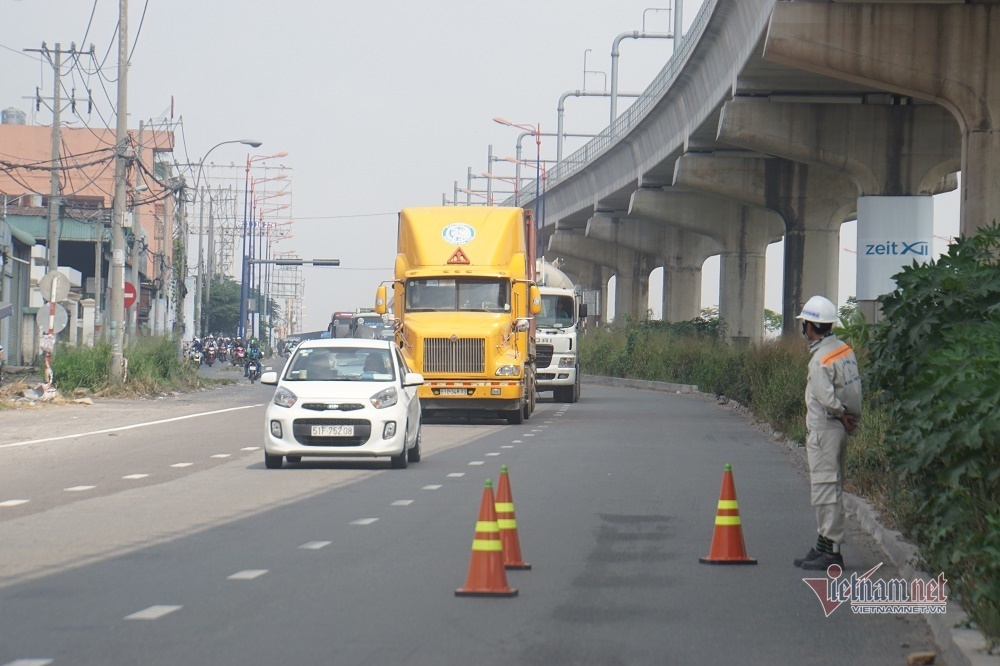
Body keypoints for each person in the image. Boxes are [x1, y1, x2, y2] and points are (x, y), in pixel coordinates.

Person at [794, 295, 863, 571]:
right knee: (831, 485)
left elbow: (826, 398)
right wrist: (848, 416)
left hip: (825, 428)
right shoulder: (844, 350)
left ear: (810, 326)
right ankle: (822, 545)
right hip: (840, 428)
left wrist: (839, 413)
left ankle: (831, 553)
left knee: (825, 489)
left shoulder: (820, 359)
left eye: (805, 325)